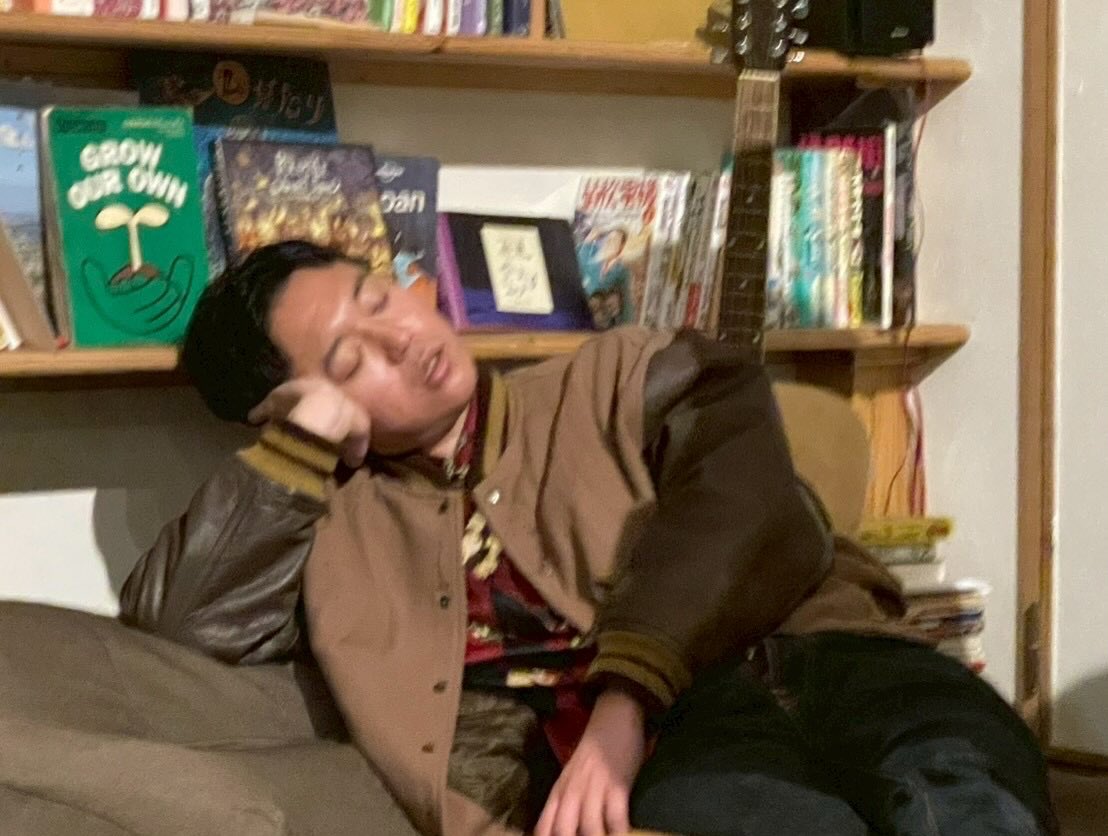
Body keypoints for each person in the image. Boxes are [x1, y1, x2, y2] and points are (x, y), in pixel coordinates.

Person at [111, 239, 1053, 836]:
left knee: (968, 798)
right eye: (351, 360)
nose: (401, 337)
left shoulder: (622, 372)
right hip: (698, 744)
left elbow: (749, 504)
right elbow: (180, 628)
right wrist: (300, 446)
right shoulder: (336, 524)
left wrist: (623, 699)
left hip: (835, 657)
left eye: (377, 297)